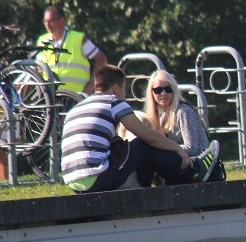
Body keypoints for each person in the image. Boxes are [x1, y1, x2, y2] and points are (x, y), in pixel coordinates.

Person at [61, 64, 220, 193]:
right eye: (124, 89)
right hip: (97, 178)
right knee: (144, 143)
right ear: (116, 88)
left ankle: (152, 185)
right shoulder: (113, 102)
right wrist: (177, 149)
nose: (125, 94)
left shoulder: (77, 108)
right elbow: (148, 137)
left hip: (73, 183)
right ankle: (196, 170)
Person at [35, 5, 107, 94]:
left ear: (62, 20)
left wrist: (91, 84)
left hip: (77, 96)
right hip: (51, 99)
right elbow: (37, 69)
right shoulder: (42, 41)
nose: (48, 24)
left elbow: (102, 60)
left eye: (51, 21)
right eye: (45, 21)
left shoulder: (78, 39)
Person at [143, 69, 211, 156]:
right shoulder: (161, 116)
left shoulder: (183, 111)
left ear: (174, 90)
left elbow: (192, 148)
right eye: (158, 90)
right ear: (151, 93)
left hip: (196, 165)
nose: (163, 93)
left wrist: (161, 147)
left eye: (168, 89)